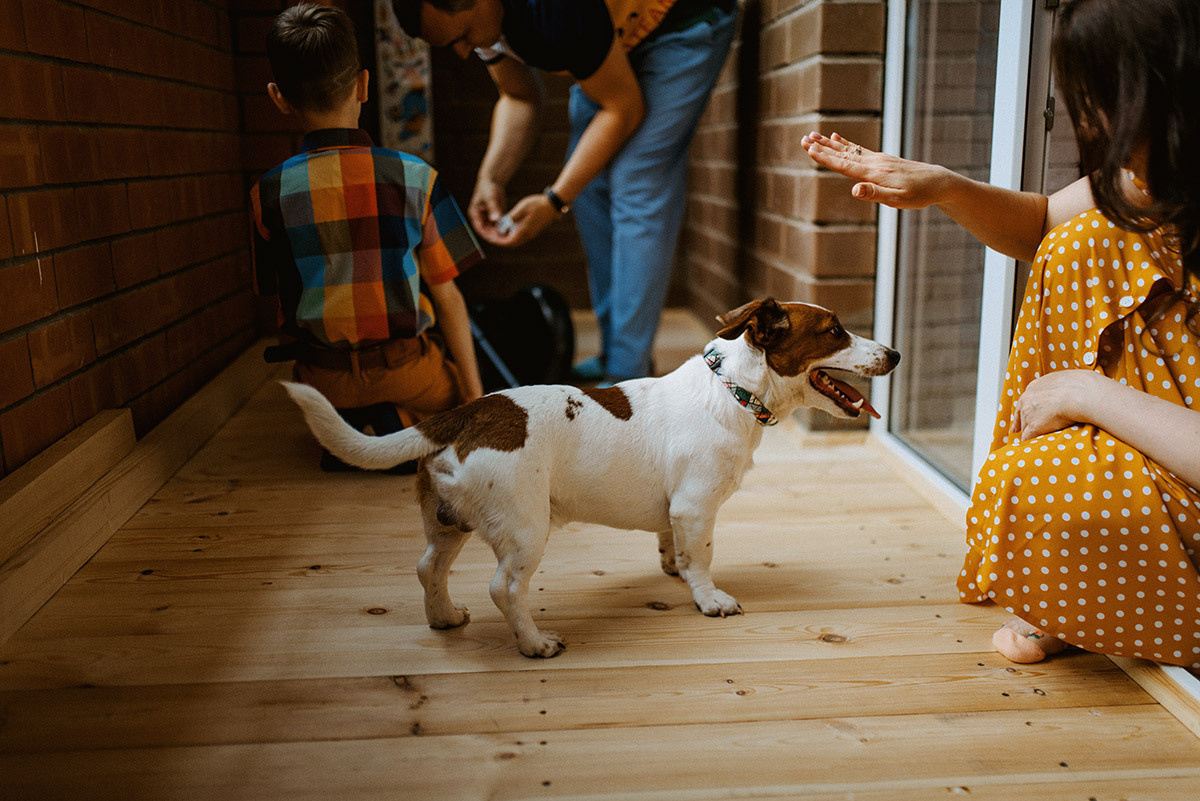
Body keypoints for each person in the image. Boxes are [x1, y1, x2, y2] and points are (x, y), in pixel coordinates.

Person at [803, 0, 1200, 668]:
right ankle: (1083, 591)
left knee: (1042, 485)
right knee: (1082, 244)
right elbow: (1044, 224)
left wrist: (1084, 393)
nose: (1090, 119)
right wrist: (941, 186)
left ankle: (1111, 590)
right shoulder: (1152, 179)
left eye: (1097, 94)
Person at [392, 0, 738, 385]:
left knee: (636, 179)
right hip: (614, 39)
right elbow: (518, 96)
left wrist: (554, 201)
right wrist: (491, 179)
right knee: (587, 183)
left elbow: (623, 108)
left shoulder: (556, 11)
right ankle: (614, 353)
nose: (461, 51)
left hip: (682, 25)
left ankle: (627, 377)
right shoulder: (487, 24)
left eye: (462, 36)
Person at [251, 3, 485, 471]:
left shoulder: (266, 193)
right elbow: (448, 296)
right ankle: (398, 423)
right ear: (363, 84)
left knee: (330, 399)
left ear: (279, 97)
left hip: (323, 379)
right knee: (452, 392)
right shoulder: (415, 177)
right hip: (405, 372)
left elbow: (275, 295)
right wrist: (475, 399)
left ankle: (349, 431)